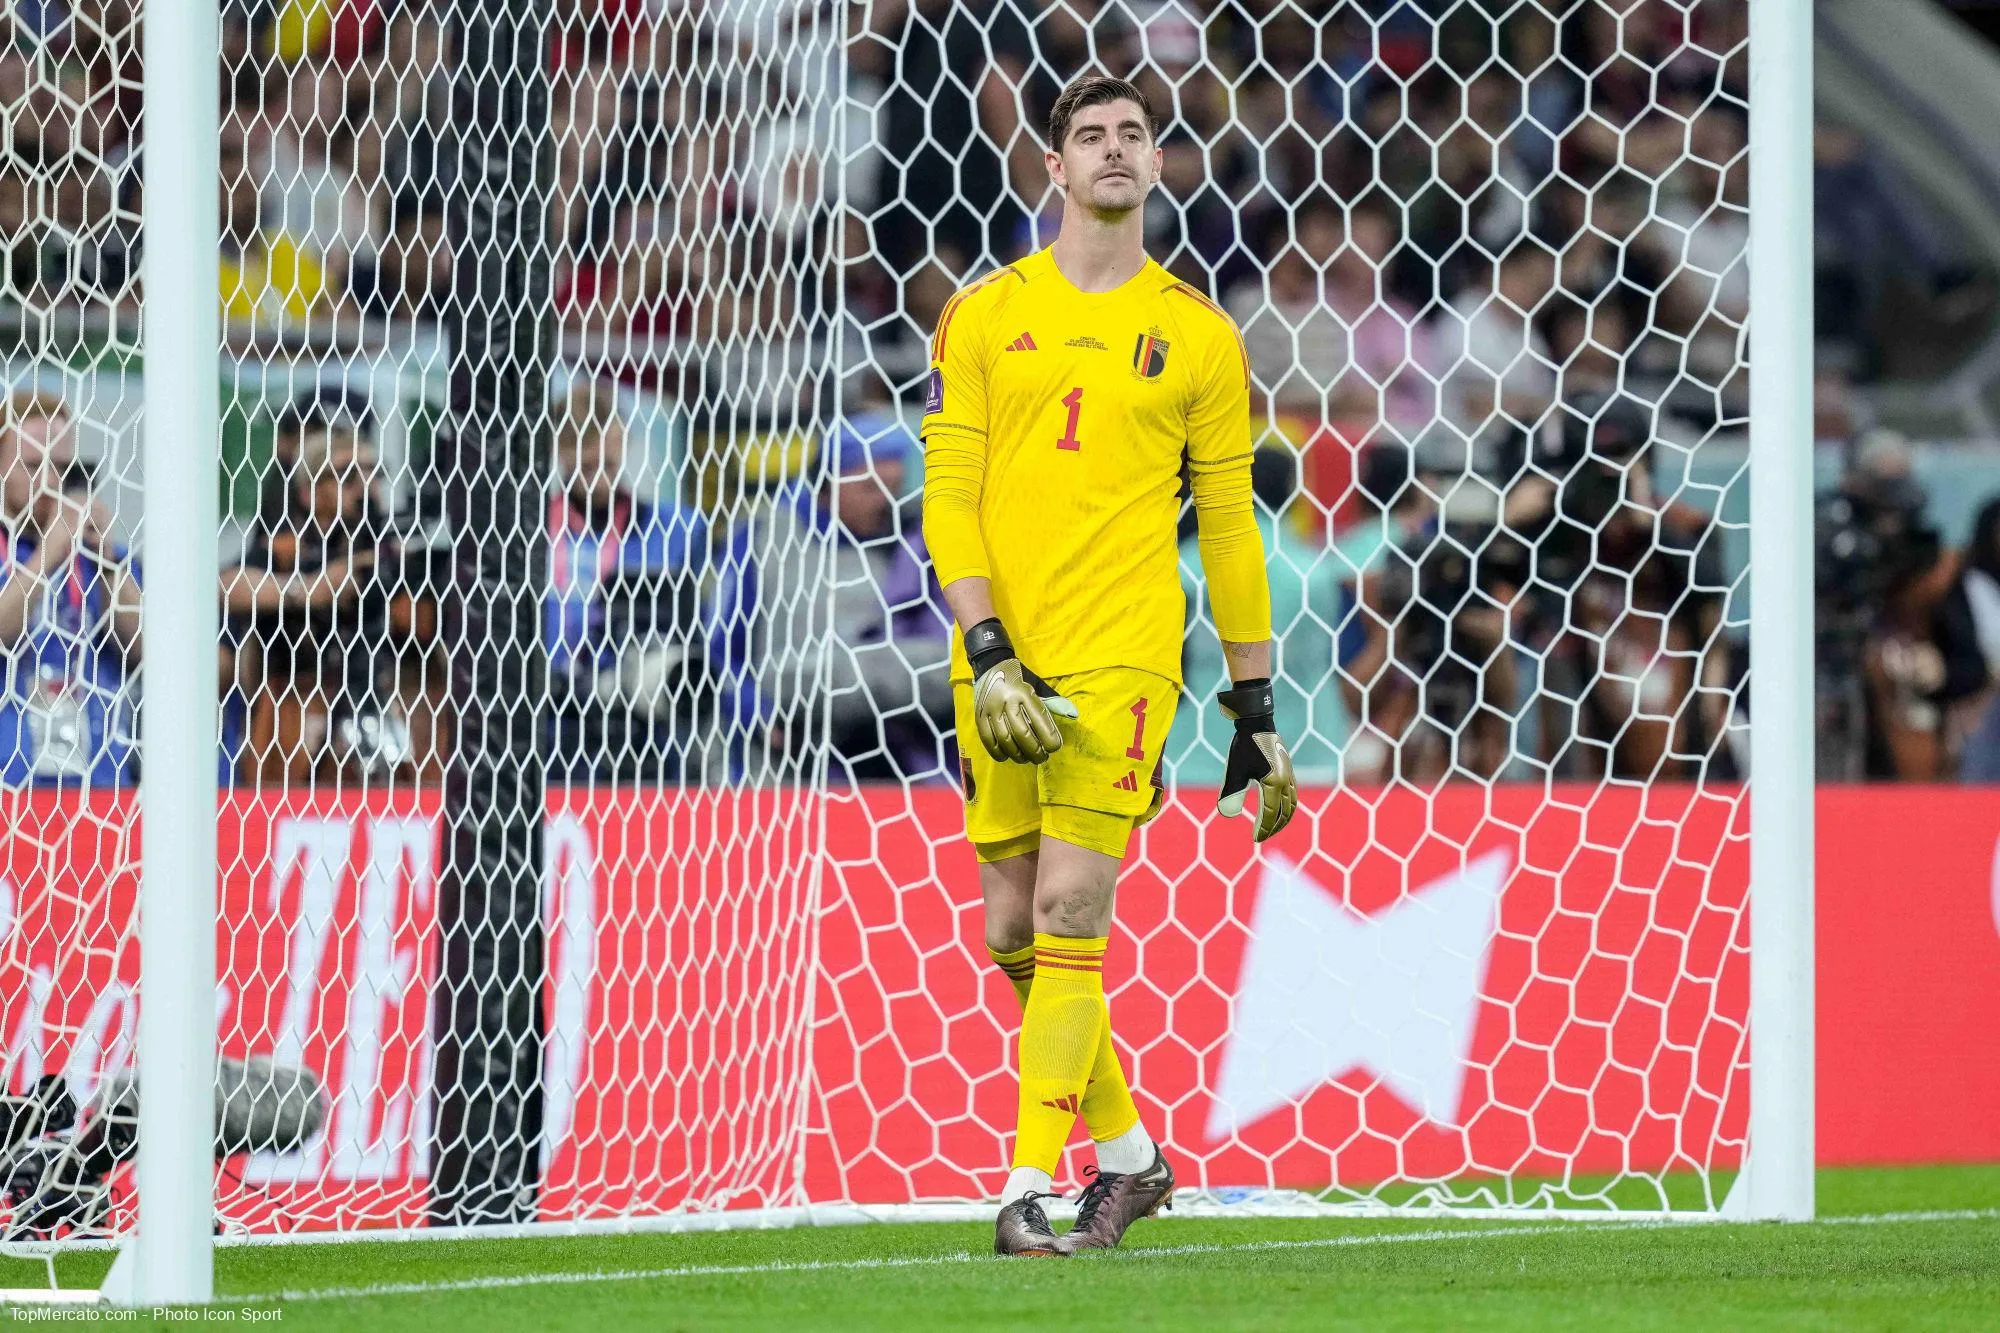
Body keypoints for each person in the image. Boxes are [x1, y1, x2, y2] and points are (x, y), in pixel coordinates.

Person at [920, 74, 1297, 1258]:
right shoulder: (983, 314)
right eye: (1090, 135)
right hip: (1000, 657)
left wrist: (1253, 703)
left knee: (1071, 907)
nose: (1114, 149)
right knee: (1008, 931)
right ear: (1054, 167)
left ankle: (1025, 1184)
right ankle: (1131, 1158)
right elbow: (951, 496)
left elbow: (1229, 529)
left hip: (1127, 653)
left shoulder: (1195, 329)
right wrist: (984, 650)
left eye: (1134, 133)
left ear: (1157, 163)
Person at [724, 410, 952, 784]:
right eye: (870, 489)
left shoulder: (916, 547)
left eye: (893, 489)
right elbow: (725, 649)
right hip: (792, 760)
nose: (885, 504)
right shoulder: (765, 541)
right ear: (829, 485)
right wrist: (758, 712)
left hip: (906, 756)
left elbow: (943, 656)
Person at [544, 380, 711, 782]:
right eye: (586, 466)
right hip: (544, 729)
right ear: (560, 455)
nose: (600, 478)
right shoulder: (528, 533)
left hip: (643, 734)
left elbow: (696, 638)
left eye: (611, 464)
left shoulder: (675, 532)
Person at [0, 391, 140, 787]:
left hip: (100, 791)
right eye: (31, 467)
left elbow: (151, 649)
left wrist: (107, 563)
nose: (48, 483)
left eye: (60, 468)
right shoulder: (44, 548)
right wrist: (49, 552)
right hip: (10, 787)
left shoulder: (102, 557)